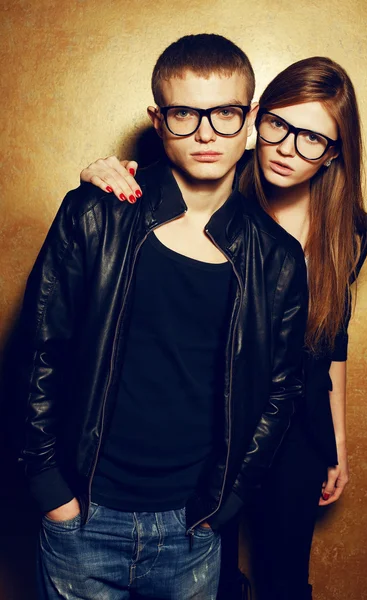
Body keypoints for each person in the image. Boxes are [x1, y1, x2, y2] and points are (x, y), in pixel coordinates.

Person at [15, 34, 308, 600]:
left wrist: (230, 503)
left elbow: (281, 388)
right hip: (81, 519)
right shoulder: (94, 213)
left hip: (194, 530)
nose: (206, 134)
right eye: (185, 113)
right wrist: (51, 492)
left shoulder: (275, 256)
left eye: (224, 113)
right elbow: (39, 352)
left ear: (249, 119)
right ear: (157, 119)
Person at [81, 56, 367, 599]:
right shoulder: (215, 182)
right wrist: (102, 173)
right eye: (279, 126)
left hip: (297, 423)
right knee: (207, 570)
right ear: (255, 119)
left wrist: (337, 440)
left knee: (285, 574)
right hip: (221, 411)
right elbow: (135, 208)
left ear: (334, 154)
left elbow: (333, 340)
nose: (289, 148)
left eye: (314, 139)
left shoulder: (351, 230)